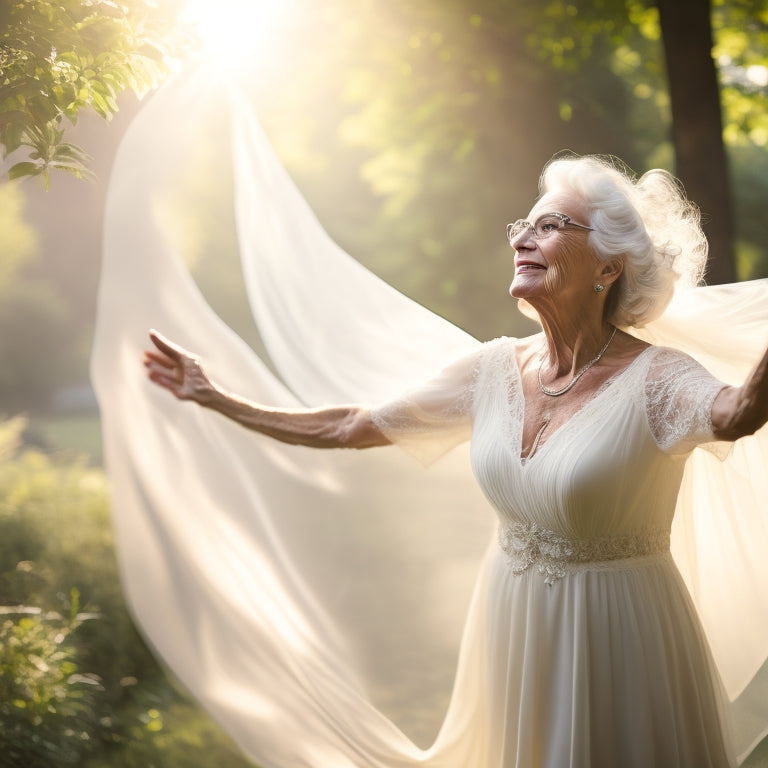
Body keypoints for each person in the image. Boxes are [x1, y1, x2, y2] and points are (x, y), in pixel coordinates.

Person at [142, 154, 768, 767]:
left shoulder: (659, 376)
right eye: (522, 225)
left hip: (618, 637)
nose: (522, 238)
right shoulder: (491, 369)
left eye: (549, 226)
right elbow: (352, 425)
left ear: (608, 265)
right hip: (513, 623)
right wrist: (215, 397)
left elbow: (737, 412)